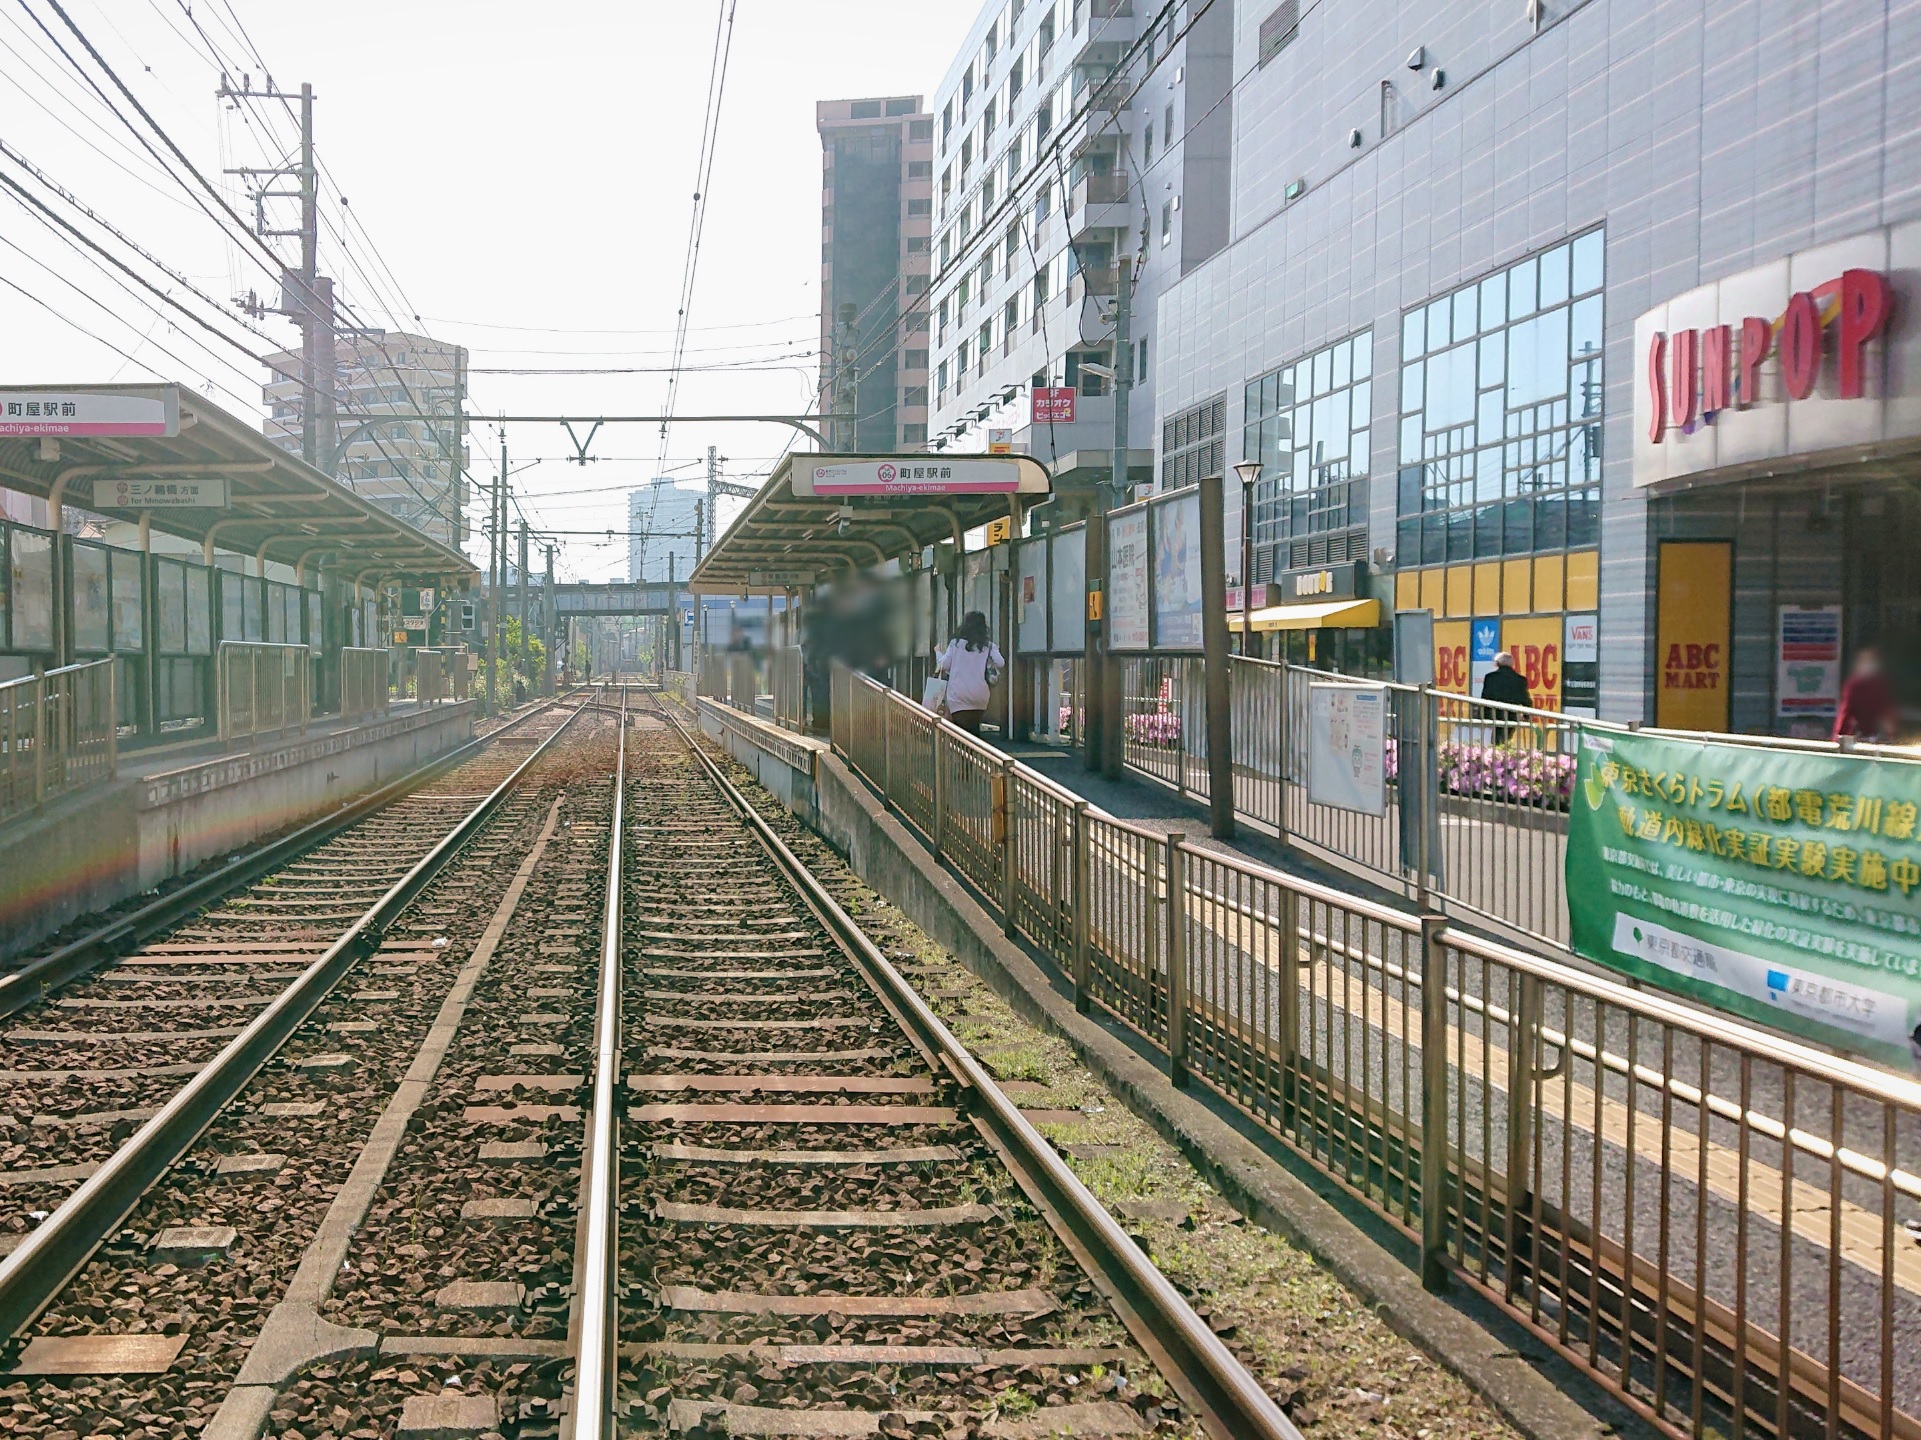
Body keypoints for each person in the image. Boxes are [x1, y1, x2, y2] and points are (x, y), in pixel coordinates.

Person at [935, 610, 1003, 736]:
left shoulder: (955, 644)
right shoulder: (988, 646)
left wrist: (938, 652)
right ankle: (974, 754)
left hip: (958, 695)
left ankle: (965, 755)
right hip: (980, 695)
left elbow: (944, 665)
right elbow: (1000, 662)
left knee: (961, 734)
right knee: (973, 731)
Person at [1834, 646, 1897, 743]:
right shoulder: (1856, 685)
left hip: (1871, 737)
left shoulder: (1877, 684)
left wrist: (1838, 737)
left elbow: (1886, 711)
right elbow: (1846, 713)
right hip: (1860, 736)